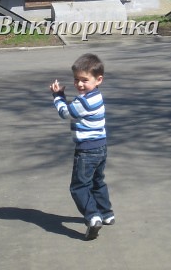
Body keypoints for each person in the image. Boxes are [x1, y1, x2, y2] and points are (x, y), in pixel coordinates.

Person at [50, 53, 114, 240]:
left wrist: (58, 96)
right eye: (76, 80)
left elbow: (66, 113)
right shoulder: (96, 97)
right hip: (101, 147)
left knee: (79, 186)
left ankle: (93, 216)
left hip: (86, 150)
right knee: (97, 182)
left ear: (98, 79)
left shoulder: (84, 101)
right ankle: (107, 214)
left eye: (84, 80)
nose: (79, 84)